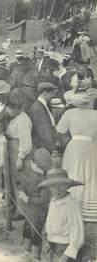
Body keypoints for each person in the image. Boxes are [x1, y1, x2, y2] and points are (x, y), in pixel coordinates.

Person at [56, 89, 97, 261]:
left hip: (74, 147)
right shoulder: (96, 114)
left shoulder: (70, 113)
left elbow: (60, 130)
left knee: (73, 173)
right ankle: (88, 207)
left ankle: (74, 203)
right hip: (91, 147)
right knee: (90, 175)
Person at [38, 168, 84, 262]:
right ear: (49, 188)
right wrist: (47, 240)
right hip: (52, 246)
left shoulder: (72, 205)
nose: (57, 190)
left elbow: (78, 236)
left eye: (62, 186)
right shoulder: (53, 202)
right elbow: (49, 224)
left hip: (66, 249)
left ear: (68, 186)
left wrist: (66, 256)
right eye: (53, 186)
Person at [16, 148, 52, 262]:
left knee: (35, 234)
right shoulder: (35, 175)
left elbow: (44, 199)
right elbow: (26, 186)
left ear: (37, 165)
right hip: (30, 211)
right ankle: (26, 252)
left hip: (38, 212)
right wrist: (22, 190)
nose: (31, 164)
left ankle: (36, 258)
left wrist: (28, 199)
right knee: (27, 230)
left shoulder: (43, 181)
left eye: (33, 162)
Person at [3, 89, 33, 208]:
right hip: (13, 148)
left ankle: (23, 208)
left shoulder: (23, 120)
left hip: (18, 150)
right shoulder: (17, 118)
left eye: (8, 108)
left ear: (15, 108)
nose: (7, 110)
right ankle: (18, 207)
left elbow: (25, 140)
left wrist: (20, 157)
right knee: (15, 179)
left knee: (20, 180)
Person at [28, 82, 58, 153]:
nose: (53, 95)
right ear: (45, 93)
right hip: (43, 147)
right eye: (52, 93)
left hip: (45, 146)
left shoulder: (44, 105)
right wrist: (52, 148)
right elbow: (44, 132)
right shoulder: (38, 108)